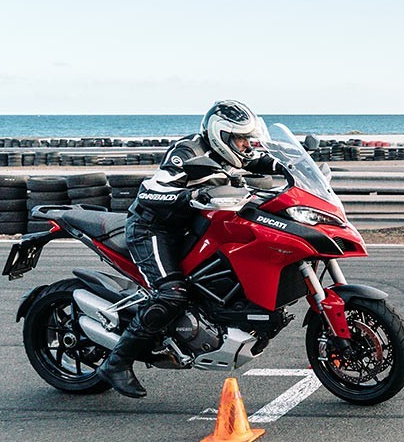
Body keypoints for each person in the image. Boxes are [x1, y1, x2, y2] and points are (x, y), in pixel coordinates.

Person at [96, 100, 283, 397]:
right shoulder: (187, 153)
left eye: (249, 138)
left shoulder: (235, 151)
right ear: (221, 135)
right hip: (153, 228)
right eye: (241, 138)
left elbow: (257, 159)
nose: (247, 145)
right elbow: (152, 192)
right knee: (172, 293)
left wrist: (285, 165)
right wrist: (189, 196)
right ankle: (117, 362)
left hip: (189, 227)